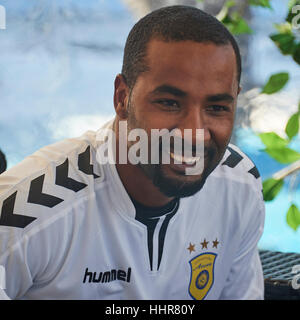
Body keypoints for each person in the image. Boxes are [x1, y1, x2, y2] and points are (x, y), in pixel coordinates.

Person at [0, 5, 265, 300]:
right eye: (169, 103)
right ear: (122, 97)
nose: (194, 133)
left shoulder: (239, 184)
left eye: (216, 108)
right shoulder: (28, 212)